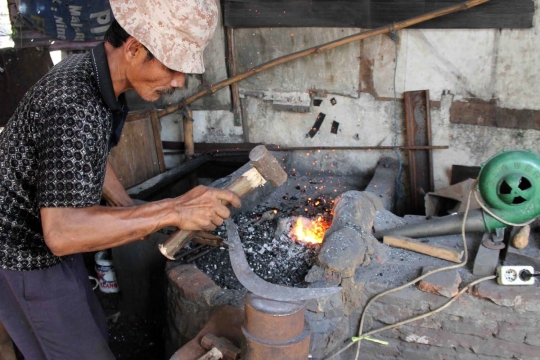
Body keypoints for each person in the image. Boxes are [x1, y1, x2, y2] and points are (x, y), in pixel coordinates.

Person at [0, 0, 241, 358]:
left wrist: (128, 208)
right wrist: (172, 210)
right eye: (173, 67)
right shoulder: (73, 104)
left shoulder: (99, 80)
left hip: (51, 239)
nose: (179, 81)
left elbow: (88, 159)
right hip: (22, 254)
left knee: (93, 328)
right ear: (133, 48)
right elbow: (63, 233)